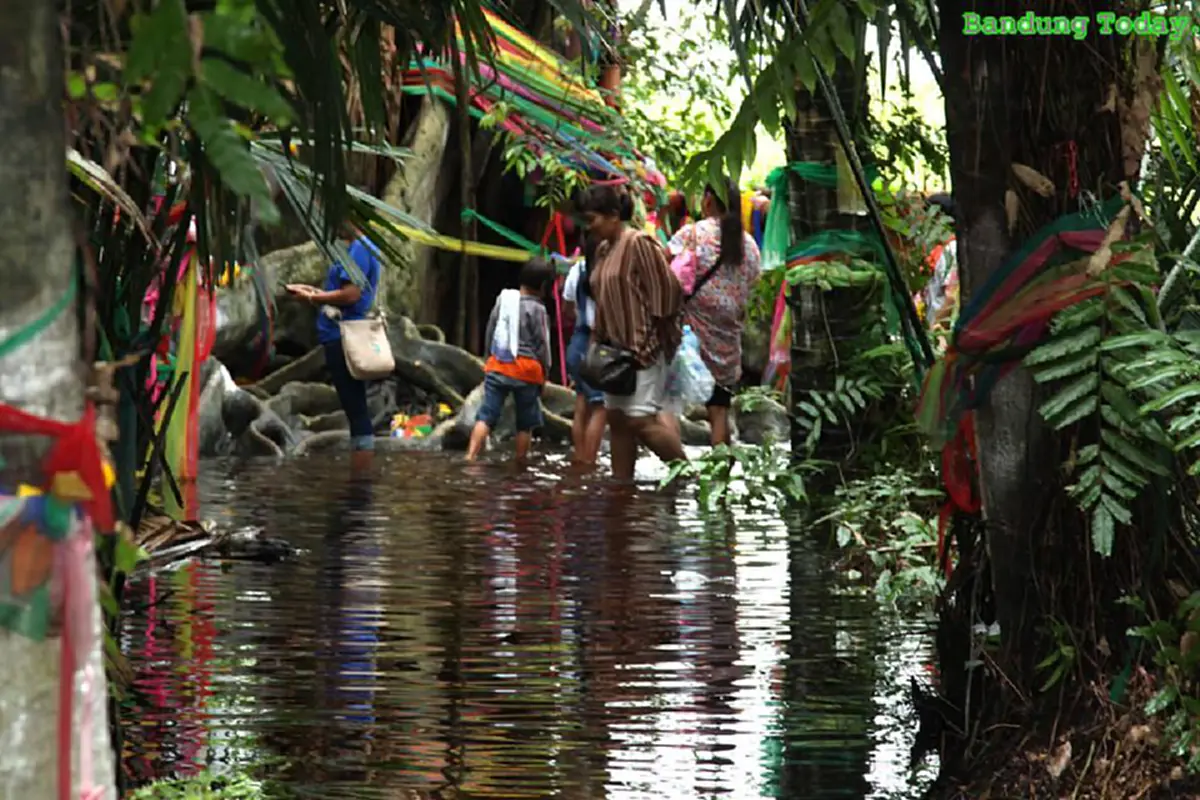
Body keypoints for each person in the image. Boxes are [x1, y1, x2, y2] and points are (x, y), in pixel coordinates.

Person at [582, 185, 687, 481]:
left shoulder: (639, 242)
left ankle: (688, 476)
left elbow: (668, 293)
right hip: (615, 353)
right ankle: (622, 488)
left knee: (640, 420)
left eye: (593, 219)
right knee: (617, 420)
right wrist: (597, 341)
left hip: (645, 348)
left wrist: (651, 339)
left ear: (614, 215)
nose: (589, 227)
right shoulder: (604, 250)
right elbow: (602, 299)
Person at [665, 179, 762, 446]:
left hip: (691, 329)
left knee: (668, 402)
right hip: (728, 332)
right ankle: (721, 467)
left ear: (708, 199)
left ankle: (675, 464)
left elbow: (665, 265)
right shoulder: (748, 244)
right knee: (719, 408)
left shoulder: (692, 234)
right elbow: (754, 283)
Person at [286, 221, 382, 472]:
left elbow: (351, 295)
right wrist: (312, 292)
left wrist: (312, 297)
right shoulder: (360, 248)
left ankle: (361, 481)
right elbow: (342, 293)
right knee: (355, 408)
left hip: (344, 337)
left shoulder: (360, 249)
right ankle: (361, 477)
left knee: (356, 410)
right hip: (342, 334)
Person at [466, 257, 556, 463]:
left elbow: (491, 331)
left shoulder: (503, 301)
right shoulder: (538, 309)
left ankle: (470, 455)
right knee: (525, 423)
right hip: (527, 372)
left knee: (486, 415)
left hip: (499, 366)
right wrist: (545, 373)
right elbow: (543, 345)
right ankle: (520, 462)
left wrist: (489, 359)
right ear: (544, 286)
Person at [563, 235, 607, 465]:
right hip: (598, 346)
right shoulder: (609, 272)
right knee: (601, 406)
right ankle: (590, 462)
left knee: (582, 402)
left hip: (577, 344)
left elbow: (567, 307)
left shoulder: (577, 270)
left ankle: (579, 459)